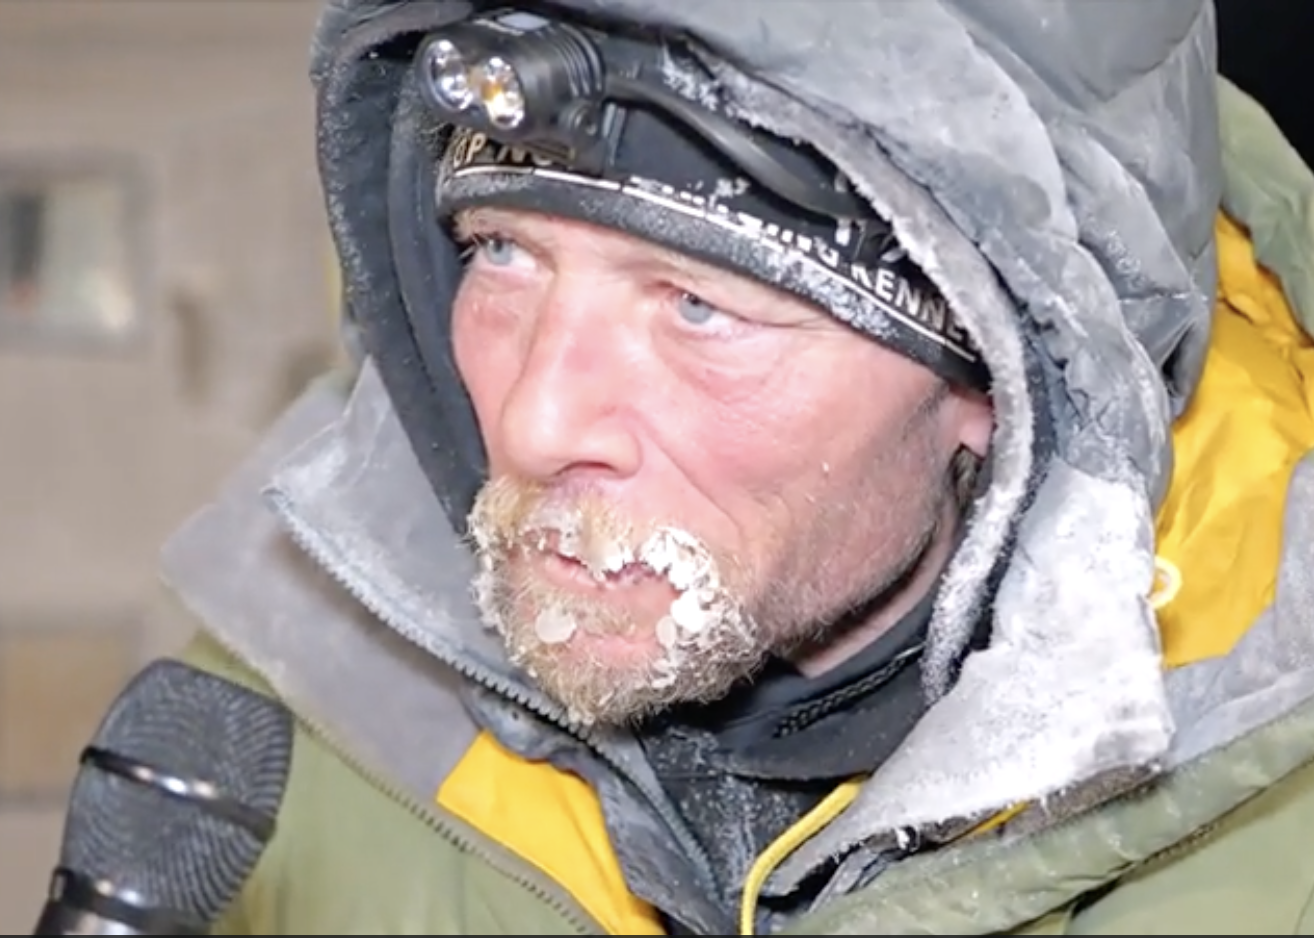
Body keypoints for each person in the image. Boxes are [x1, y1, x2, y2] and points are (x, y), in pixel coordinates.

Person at [160, 1, 1314, 933]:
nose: (535, 420)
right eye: (501, 252)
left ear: (994, 386)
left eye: (698, 306)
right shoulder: (273, 733)